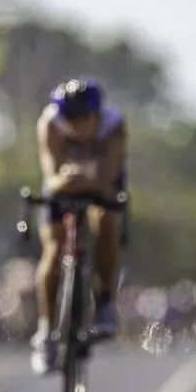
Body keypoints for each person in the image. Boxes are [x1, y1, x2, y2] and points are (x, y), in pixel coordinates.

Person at [30, 78, 127, 375]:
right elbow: (51, 175)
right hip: (63, 185)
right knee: (55, 247)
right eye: (69, 119)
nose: (75, 126)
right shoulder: (50, 123)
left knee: (106, 219)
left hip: (101, 182)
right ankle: (46, 331)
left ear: (96, 115)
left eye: (82, 119)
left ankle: (106, 300)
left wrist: (88, 182)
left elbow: (107, 180)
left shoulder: (114, 127)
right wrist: (68, 180)